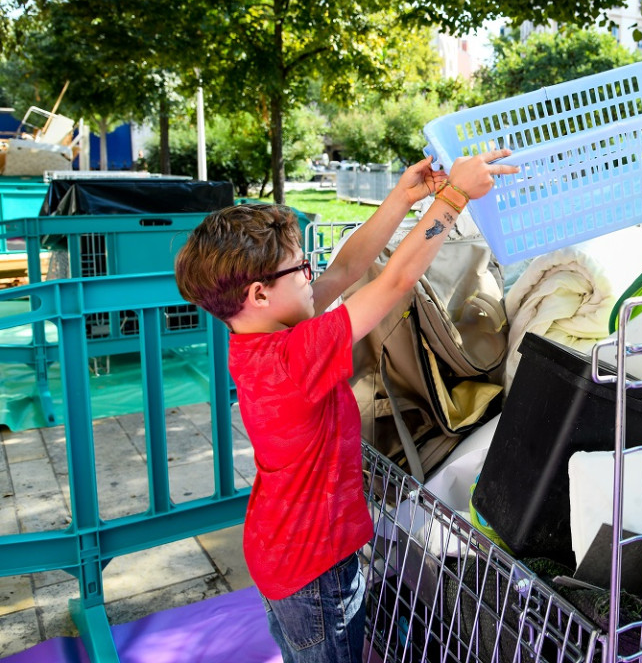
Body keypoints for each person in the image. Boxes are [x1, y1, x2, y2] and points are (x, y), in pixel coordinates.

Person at [174, 149, 518, 663]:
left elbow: (349, 267)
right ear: (259, 294)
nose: (313, 276)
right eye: (300, 270)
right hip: (314, 573)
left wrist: (403, 197)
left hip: (285, 556)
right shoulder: (293, 357)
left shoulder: (263, 336)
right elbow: (394, 283)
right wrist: (453, 198)